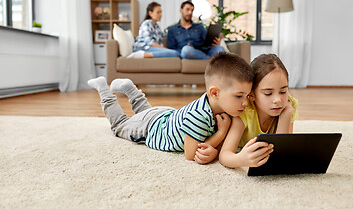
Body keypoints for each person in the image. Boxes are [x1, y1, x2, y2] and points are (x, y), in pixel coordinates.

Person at [87, 52, 253, 164]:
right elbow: (190, 154)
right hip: (150, 129)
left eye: (247, 96)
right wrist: (221, 133)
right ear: (214, 93)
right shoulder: (200, 116)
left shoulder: (219, 105)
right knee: (119, 125)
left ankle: (131, 89)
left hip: (164, 116)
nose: (245, 103)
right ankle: (103, 88)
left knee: (145, 112)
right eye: (239, 96)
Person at [219, 54, 298, 168]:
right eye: (268, 93)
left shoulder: (289, 106)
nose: (278, 100)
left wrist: (285, 116)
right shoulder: (244, 111)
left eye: (283, 91)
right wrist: (240, 159)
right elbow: (224, 155)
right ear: (252, 95)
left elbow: (282, 152)